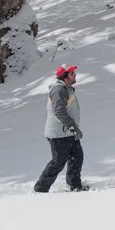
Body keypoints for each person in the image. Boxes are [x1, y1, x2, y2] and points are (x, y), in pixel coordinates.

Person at [34, 64, 89, 192]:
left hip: (68, 132)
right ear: (64, 77)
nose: (75, 75)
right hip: (59, 134)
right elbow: (59, 111)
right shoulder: (58, 90)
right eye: (71, 74)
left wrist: (72, 129)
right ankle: (40, 188)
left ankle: (74, 185)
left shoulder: (67, 88)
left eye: (74, 73)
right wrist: (72, 127)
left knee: (77, 157)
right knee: (58, 162)